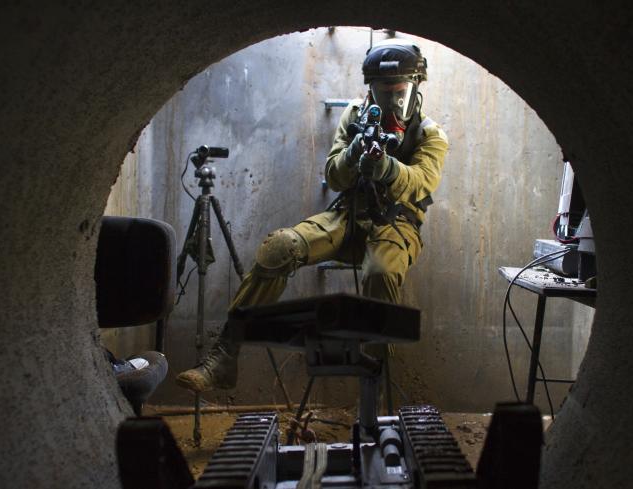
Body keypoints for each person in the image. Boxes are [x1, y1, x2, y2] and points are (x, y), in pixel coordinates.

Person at [175, 38, 449, 393]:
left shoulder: (430, 134)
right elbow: (335, 175)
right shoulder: (355, 115)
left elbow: (421, 182)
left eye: (399, 94)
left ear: (416, 90)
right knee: (280, 247)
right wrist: (353, 155)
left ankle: (375, 382)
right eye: (382, 94)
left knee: (382, 273)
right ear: (370, 90)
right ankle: (226, 356)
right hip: (347, 216)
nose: (391, 104)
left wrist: (385, 167)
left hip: (396, 224)